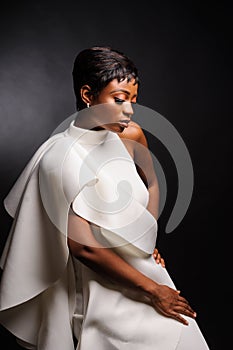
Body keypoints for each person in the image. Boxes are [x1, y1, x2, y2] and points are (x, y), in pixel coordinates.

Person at [0, 46, 210, 349]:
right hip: (104, 295)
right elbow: (84, 248)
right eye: (120, 100)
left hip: (148, 276)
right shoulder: (61, 157)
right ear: (88, 94)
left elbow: (151, 182)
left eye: (134, 101)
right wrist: (154, 291)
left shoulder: (130, 134)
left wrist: (145, 239)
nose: (130, 111)